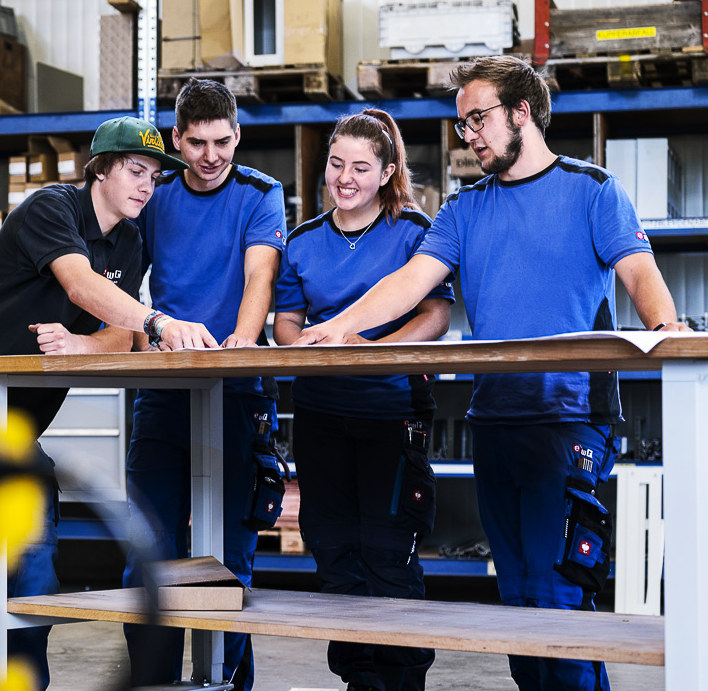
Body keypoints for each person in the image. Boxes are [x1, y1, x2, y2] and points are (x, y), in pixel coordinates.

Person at [296, 56, 690, 691]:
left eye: (477, 118)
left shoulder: (592, 190)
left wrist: (665, 327)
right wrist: (341, 327)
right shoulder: (463, 210)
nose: (468, 135)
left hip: (567, 419)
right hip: (497, 417)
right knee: (516, 600)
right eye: (462, 124)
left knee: (555, 592)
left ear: (521, 113)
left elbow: (638, 271)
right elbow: (409, 284)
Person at [0, 116, 216, 690]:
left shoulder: (130, 241)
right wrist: (159, 321)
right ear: (100, 171)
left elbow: (119, 329)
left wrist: (85, 342)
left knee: (31, 580)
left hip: (5, 426)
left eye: (155, 177)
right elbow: (83, 287)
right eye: (136, 171)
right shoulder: (50, 209)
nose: (145, 186)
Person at [273, 108, 453, 691]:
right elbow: (286, 325)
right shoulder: (302, 241)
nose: (344, 178)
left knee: (387, 551)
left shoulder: (412, 231)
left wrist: (374, 351)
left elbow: (435, 315)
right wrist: (306, 342)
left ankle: (401, 681)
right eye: (335, 164)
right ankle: (359, 680)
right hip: (321, 416)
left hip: (391, 414)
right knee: (334, 549)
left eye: (360, 167)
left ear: (387, 172)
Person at [122, 78, 286, 689]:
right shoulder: (155, 195)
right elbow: (122, 280)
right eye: (196, 143)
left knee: (230, 560)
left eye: (223, 141)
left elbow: (258, 279)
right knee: (149, 549)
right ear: (176, 140)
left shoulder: (260, 194)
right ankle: (153, 684)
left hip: (239, 392)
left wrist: (242, 343)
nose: (211, 156)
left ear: (237, 135)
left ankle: (226, 684)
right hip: (166, 391)